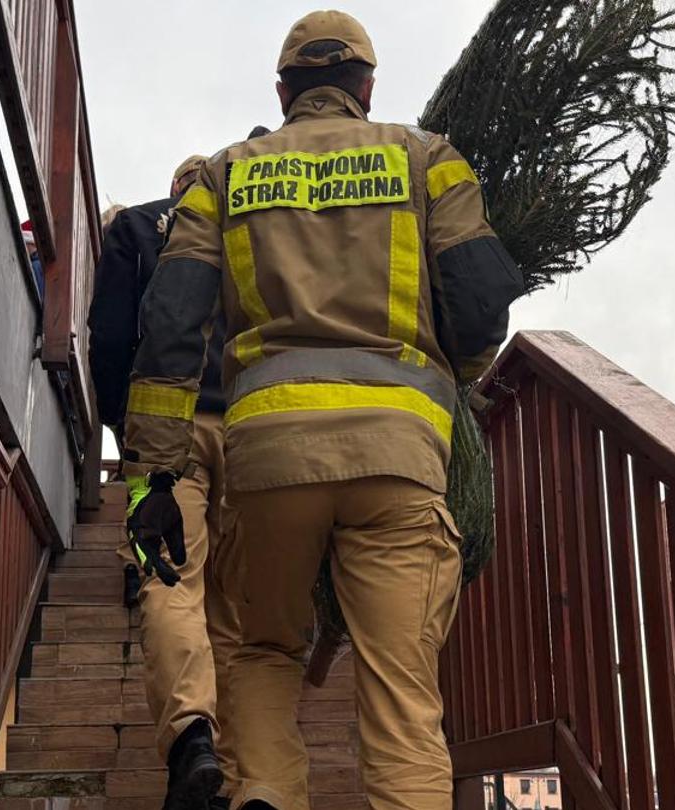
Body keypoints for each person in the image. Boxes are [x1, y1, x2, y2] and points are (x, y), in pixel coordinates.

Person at [118, 10, 522, 810]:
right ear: (366, 87)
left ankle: (264, 791)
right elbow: (478, 309)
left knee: (263, 649)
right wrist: (447, 389)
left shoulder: (225, 175)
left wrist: (156, 479)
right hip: (399, 460)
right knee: (402, 695)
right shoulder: (426, 159)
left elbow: (169, 327)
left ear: (283, 88)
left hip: (269, 461)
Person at [88, 156, 242, 810]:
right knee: (236, 603)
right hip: (252, 421)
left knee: (169, 574)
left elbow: (112, 334)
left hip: (166, 422)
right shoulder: (252, 228)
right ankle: (247, 768)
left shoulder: (137, 228)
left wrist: (120, 420)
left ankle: (191, 737)